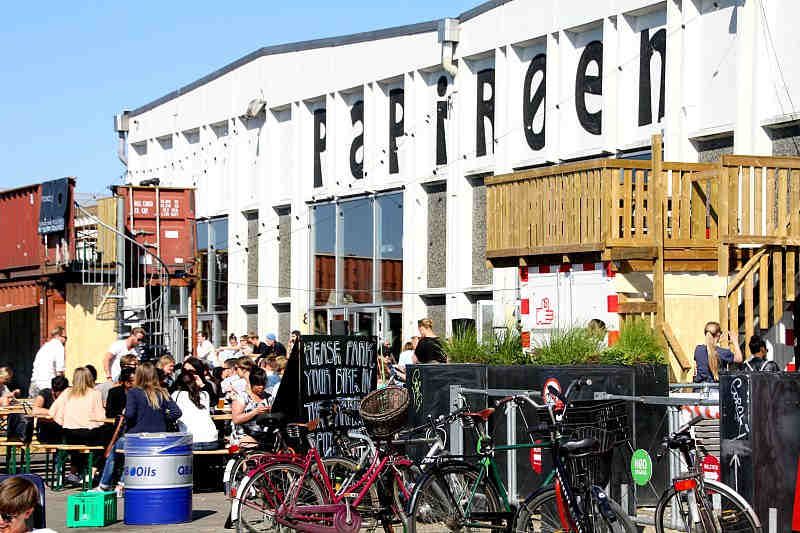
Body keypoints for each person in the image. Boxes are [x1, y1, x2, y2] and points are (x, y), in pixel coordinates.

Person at [94, 363, 182, 492]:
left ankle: (104, 485)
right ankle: (122, 484)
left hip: (137, 437)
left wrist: (125, 414)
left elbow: (130, 415)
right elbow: (177, 412)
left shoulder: (134, 392)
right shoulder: (162, 391)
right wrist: (162, 418)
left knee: (115, 452)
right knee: (129, 454)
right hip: (158, 438)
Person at [49, 367, 105, 485]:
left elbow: (52, 412)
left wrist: (65, 421)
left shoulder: (67, 393)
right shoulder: (95, 394)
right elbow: (101, 419)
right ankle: (92, 472)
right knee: (106, 440)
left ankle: (75, 472)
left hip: (69, 434)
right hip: (88, 434)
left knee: (76, 444)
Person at [171, 372, 219, 450]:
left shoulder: (176, 395)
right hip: (211, 440)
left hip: (190, 441)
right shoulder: (204, 394)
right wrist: (202, 384)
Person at [231, 368, 272, 447]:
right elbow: (236, 419)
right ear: (251, 383)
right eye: (258, 384)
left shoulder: (268, 397)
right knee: (256, 447)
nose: (261, 387)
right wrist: (255, 412)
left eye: (263, 384)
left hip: (264, 435)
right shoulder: (242, 397)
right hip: (243, 435)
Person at [29, 326, 66, 397]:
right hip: (46, 385)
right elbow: (59, 371)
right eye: (65, 337)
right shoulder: (59, 346)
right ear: (58, 336)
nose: (65, 340)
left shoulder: (45, 346)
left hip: (34, 383)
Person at [31, 375, 69, 444]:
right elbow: (35, 410)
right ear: (53, 390)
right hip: (46, 430)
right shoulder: (45, 393)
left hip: (64, 430)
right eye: (59, 392)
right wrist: (54, 412)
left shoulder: (69, 394)